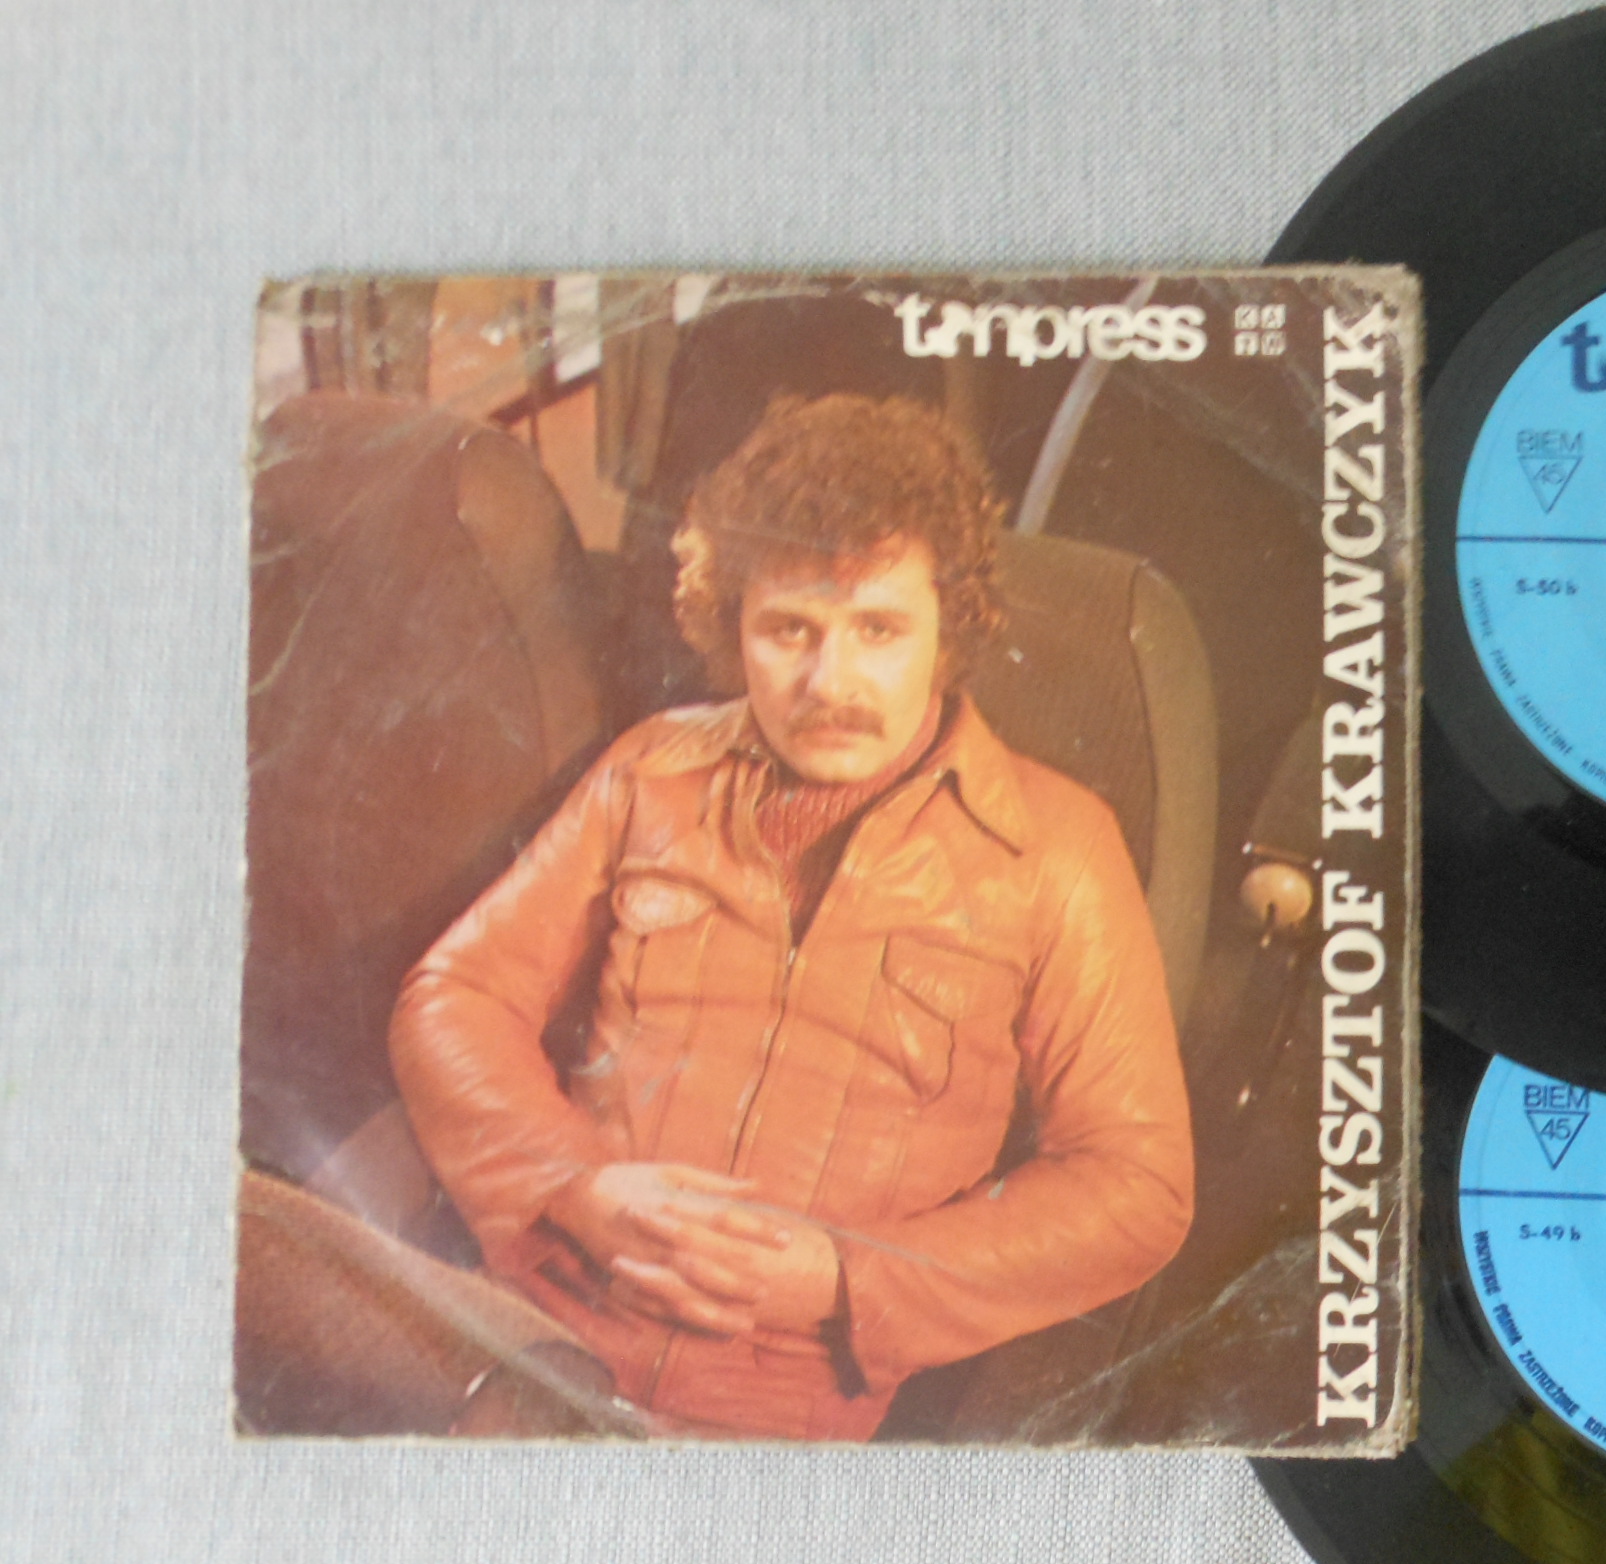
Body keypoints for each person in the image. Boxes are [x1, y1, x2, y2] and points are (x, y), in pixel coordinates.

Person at [389, 392, 1194, 1439]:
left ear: (947, 632)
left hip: (778, 1420)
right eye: (788, 630)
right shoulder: (647, 773)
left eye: (879, 630)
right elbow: (453, 997)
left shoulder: (1060, 849)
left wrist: (847, 1278)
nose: (830, 681)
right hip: (535, 1343)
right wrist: (575, 1184)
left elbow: (1136, 1183)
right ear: (733, 626)